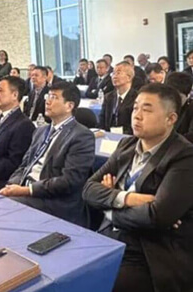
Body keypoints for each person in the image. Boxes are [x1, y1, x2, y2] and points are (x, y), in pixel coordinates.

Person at [83, 83, 193, 292]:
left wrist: (109, 211)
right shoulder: (127, 146)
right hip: (109, 236)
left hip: (151, 250)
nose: (137, 115)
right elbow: (88, 189)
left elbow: (157, 216)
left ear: (171, 119)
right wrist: (126, 198)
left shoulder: (184, 156)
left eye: (147, 109)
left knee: (101, 283)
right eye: (135, 108)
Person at [0, 81, 95, 227]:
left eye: (54, 97)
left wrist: (27, 190)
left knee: (5, 209)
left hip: (55, 201)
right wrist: (11, 185)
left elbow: (69, 181)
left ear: (69, 106)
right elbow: (24, 165)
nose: (48, 101)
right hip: (26, 189)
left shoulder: (81, 136)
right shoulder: (40, 131)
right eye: (47, 96)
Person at [99, 61, 137, 134]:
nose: (114, 76)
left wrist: (116, 132)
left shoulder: (136, 98)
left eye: (118, 73)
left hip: (128, 138)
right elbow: (102, 120)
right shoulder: (108, 97)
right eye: (113, 73)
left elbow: (135, 126)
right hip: (108, 137)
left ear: (129, 77)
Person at [167, 72, 193, 143]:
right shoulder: (164, 105)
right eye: (171, 96)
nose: (175, 100)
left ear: (187, 95)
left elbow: (191, 136)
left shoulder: (190, 108)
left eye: (179, 97)